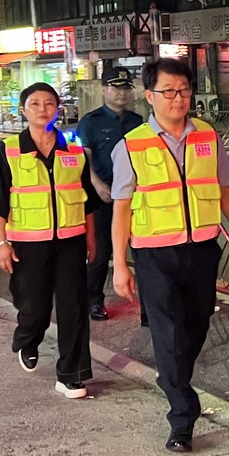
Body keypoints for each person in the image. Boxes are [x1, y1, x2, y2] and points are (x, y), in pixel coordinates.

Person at [111, 57, 229, 452]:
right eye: (169, 91)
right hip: (155, 255)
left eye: (185, 90)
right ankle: (182, 417)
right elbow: (121, 209)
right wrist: (120, 264)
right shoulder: (131, 145)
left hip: (203, 250)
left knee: (198, 323)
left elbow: (224, 189)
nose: (178, 98)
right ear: (149, 96)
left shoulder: (207, 135)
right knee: (169, 334)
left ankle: (173, 376)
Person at [0, 83, 99, 399]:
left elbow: (87, 201)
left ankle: (71, 375)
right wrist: (1, 244)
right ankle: (28, 338)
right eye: (34, 103)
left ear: (57, 109)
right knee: (34, 305)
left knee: (73, 307)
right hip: (27, 243)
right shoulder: (9, 150)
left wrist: (91, 238)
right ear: (23, 110)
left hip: (71, 240)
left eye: (49, 103)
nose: (42, 109)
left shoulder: (74, 151)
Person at [76, 66, 142, 322]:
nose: (122, 92)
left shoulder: (137, 121)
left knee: (142, 251)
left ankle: (148, 307)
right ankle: (94, 300)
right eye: (116, 87)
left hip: (133, 195)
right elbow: (84, 158)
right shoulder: (90, 122)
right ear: (104, 90)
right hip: (103, 195)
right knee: (101, 253)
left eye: (126, 88)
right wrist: (97, 184)